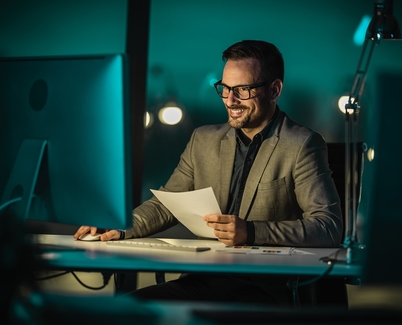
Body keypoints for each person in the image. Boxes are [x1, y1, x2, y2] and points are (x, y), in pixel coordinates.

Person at [74, 40, 343, 307]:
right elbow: (166, 204)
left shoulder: (302, 144)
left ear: (274, 90)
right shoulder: (203, 140)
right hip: (202, 279)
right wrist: (121, 226)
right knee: (120, 311)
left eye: (243, 90)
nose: (230, 100)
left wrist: (251, 232)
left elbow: (328, 227)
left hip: (264, 289)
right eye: (225, 88)